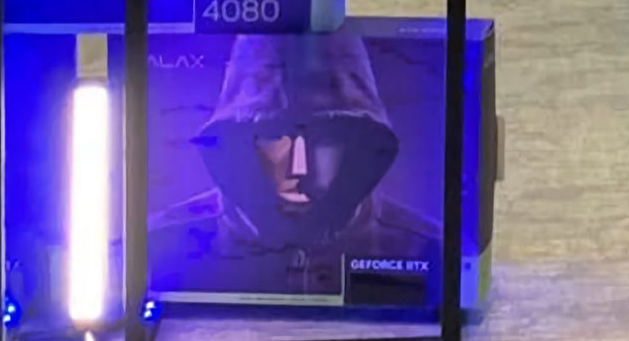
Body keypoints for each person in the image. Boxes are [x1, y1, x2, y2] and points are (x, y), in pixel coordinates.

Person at [147, 31, 440, 305]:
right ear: (236, 140)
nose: (299, 168)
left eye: (325, 136)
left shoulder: (430, 253)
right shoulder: (155, 248)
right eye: (274, 134)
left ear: (360, 141)